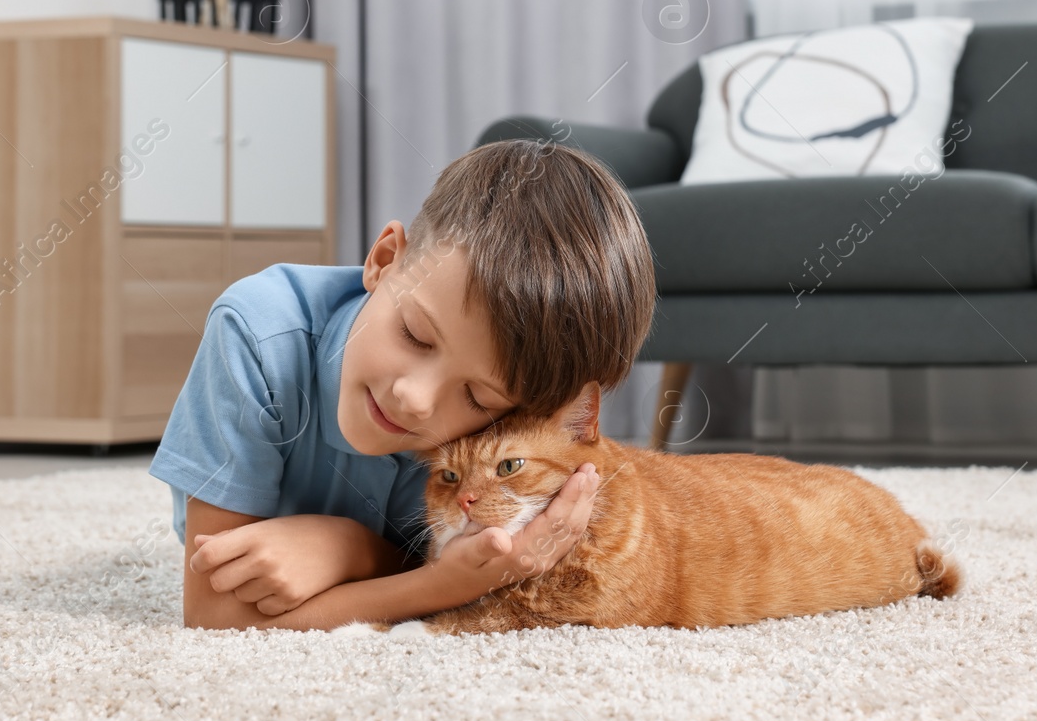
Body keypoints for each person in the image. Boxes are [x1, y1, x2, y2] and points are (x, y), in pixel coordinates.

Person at [148, 137, 657, 629]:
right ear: (384, 259)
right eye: (414, 335)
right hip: (252, 541)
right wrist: (435, 581)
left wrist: (356, 553)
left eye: (477, 397)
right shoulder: (257, 333)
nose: (414, 400)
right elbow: (214, 614)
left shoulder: (494, 444)